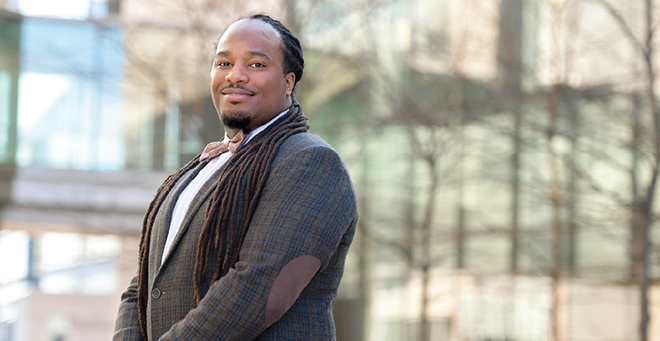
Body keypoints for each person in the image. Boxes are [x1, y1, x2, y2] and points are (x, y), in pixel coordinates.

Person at [113, 14, 358, 341]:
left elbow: (257, 289)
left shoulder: (308, 161)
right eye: (224, 63)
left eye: (256, 65)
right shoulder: (201, 169)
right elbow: (142, 285)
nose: (235, 76)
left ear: (288, 82)